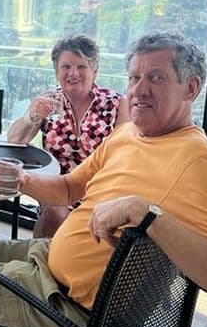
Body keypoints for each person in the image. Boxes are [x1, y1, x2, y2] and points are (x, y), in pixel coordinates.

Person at [0, 32, 207, 327]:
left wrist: (145, 213)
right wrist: (24, 181)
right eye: (134, 77)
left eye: (156, 77)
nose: (139, 90)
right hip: (52, 258)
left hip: (69, 306)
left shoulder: (197, 159)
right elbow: (70, 188)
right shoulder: (130, 135)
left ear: (191, 88)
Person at [7, 35, 129, 237]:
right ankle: (40, 262)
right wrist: (33, 116)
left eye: (81, 66)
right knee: (54, 212)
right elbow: (15, 139)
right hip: (57, 188)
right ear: (56, 72)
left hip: (100, 189)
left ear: (94, 70)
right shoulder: (48, 102)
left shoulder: (116, 103)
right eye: (66, 67)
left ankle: (64, 260)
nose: (73, 73)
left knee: (71, 218)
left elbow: (126, 152)